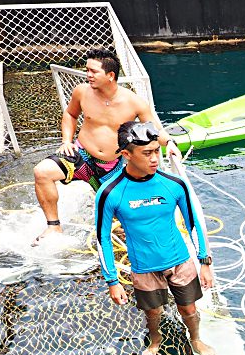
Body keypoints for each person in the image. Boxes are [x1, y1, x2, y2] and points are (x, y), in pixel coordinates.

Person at [95, 121, 215, 355]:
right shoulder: (110, 192)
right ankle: (155, 339)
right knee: (152, 312)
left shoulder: (173, 184)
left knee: (189, 308)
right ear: (126, 154)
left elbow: (195, 224)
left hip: (180, 260)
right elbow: (103, 239)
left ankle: (196, 338)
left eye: (156, 151)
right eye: (147, 153)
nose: (154, 159)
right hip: (144, 266)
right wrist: (112, 281)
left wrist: (205, 261)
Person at [33, 49, 165, 242]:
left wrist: (169, 143)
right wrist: (66, 141)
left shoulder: (134, 102)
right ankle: (54, 227)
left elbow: (154, 130)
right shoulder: (82, 91)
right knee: (42, 172)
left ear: (110, 75)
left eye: (93, 71)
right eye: (87, 70)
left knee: (128, 219)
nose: (88, 75)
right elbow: (70, 114)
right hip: (81, 154)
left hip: (112, 165)